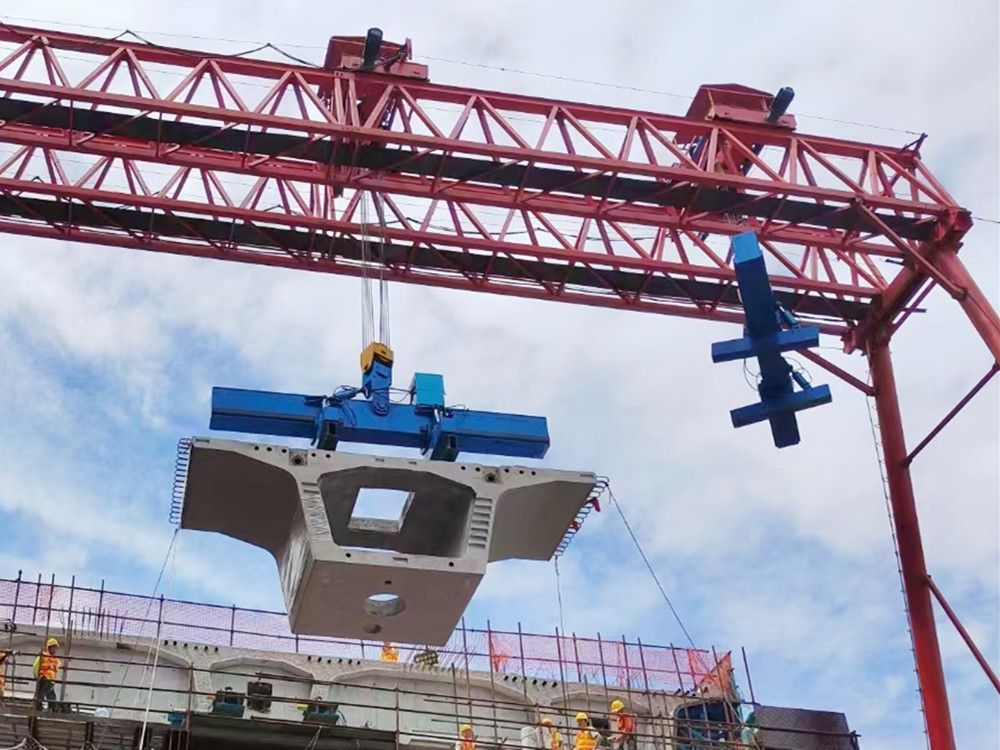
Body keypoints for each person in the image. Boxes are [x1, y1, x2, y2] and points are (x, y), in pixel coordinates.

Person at [32, 637, 61, 710]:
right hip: (44, 678)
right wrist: (37, 676)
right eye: (53, 647)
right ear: (49, 648)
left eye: (56, 648)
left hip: (51, 680)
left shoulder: (55, 659)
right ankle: (38, 707)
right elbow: (35, 666)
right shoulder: (43, 656)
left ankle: (53, 707)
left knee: (50, 694)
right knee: (41, 694)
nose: (55, 649)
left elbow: (57, 667)